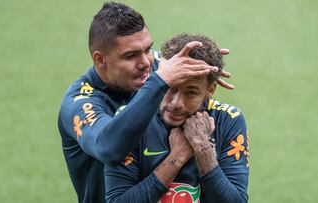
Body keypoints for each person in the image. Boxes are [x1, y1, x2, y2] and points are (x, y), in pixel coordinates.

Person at [58, 2, 234, 203]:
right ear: (100, 60)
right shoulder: (80, 103)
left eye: (148, 49)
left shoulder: (151, 67)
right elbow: (109, 148)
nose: (146, 63)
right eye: (131, 55)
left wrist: (201, 72)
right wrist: (159, 82)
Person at [104, 34, 249, 203]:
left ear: (210, 90)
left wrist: (203, 149)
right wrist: (177, 157)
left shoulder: (228, 119)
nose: (176, 103)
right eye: (171, 87)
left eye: (190, 92)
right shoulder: (130, 120)